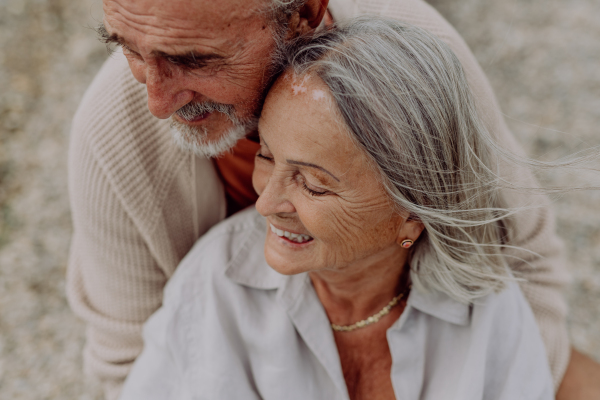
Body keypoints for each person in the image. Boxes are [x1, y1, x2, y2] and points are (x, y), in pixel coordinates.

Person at [66, 0, 600, 398]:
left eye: (196, 60)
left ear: (304, 11)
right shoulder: (118, 132)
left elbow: (522, 259)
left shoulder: (419, 66)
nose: (155, 102)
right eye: (128, 50)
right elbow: (129, 363)